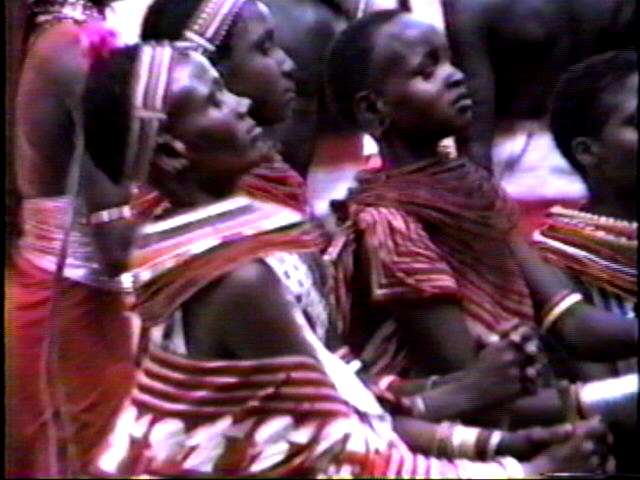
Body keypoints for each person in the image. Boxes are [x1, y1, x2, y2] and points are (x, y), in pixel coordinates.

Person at [82, 41, 608, 479]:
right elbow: (352, 448)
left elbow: (350, 398)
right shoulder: (235, 280)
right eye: (216, 100)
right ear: (174, 152)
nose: (241, 103)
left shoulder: (224, 255)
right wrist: (527, 469)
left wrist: (494, 443)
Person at [323, 9, 635, 434]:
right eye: (427, 71)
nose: (454, 76)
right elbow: (477, 397)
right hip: (456, 442)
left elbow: (574, 324)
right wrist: (619, 398)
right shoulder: (389, 224)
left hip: (524, 410)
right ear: (374, 109)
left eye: (449, 60)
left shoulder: (472, 190)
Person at [5, 1, 167, 476]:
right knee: (94, 462)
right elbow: (114, 242)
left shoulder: (54, 35)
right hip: (77, 296)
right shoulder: (81, 46)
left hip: (56, 289)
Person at [442, 0, 636, 234]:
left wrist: (477, 208)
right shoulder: (611, 5)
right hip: (601, 164)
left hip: (515, 170)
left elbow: (478, 113)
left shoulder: (471, 7)